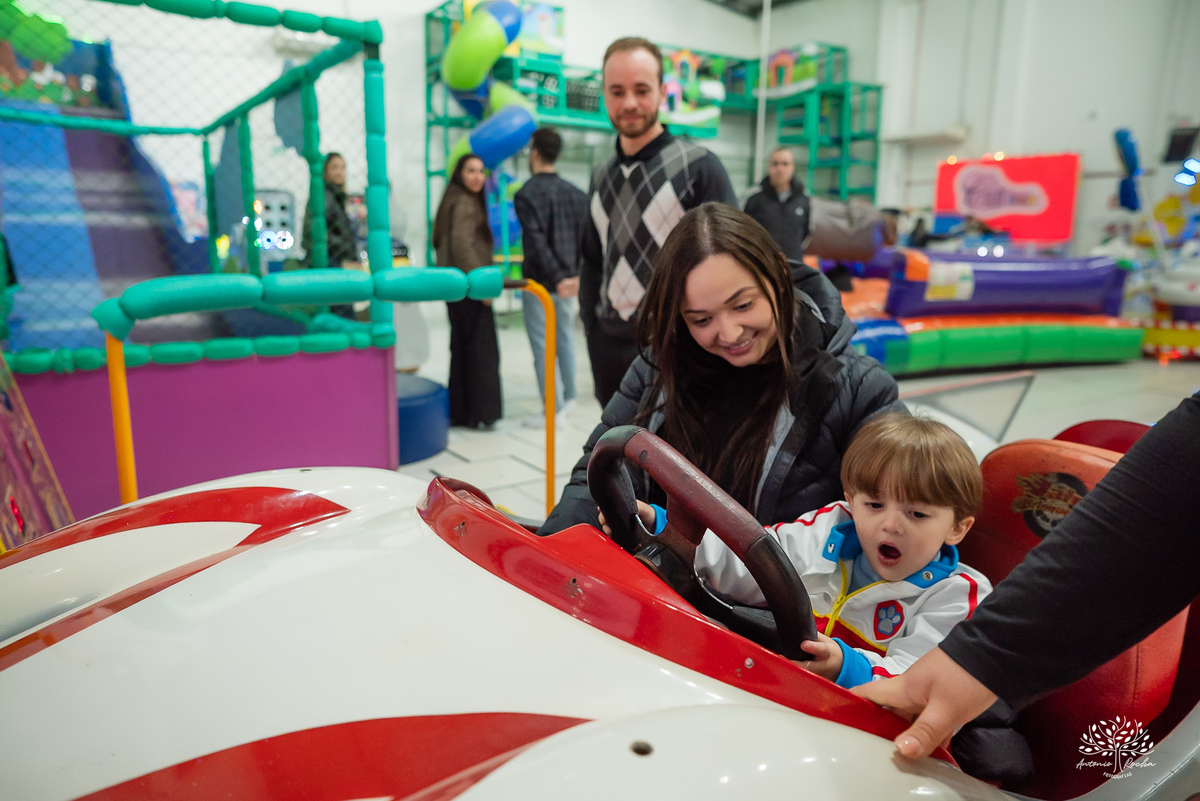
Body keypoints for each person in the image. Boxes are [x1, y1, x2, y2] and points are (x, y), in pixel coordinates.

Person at [856, 390, 1200, 760]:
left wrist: (848, 665)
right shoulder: (832, 532)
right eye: (874, 505)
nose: (889, 524)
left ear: (959, 527)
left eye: (916, 514)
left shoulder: (961, 594)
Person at [540, 203, 903, 535]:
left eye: (743, 305)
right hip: (661, 590)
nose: (729, 333)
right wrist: (552, 557)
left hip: (778, 603)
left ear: (777, 277)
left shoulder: (858, 390)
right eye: (701, 319)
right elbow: (594, 479)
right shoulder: (657, 371)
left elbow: (906, 509)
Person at [579, 37, 738, 408]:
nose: (629, 102)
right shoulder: (599, 174)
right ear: (604, 94)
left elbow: (732, 265)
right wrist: (591, 325)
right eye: (617, 91)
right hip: (608, 345)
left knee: (676, 458)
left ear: (663, 91)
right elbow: (591, 258)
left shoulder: (699, 166)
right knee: (618, 452)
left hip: (678, 347)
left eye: (641, 90)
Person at [512, 127, 588, 428]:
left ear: (535, 153)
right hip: (569, 285)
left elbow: (536, 244)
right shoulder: (577, 195)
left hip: (541, 285)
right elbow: (588, 241)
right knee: (566, 340)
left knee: (543, 346)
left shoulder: (526, 194)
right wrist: (575, 276)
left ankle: (553, 410)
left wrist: (557, 278)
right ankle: (570, 398)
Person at [432, 154, 502, 429]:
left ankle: (461, 412)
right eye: (471, 171)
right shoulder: (465, 202)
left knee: (462, 350)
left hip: (456, 291)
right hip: (470, 289)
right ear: (459, 174)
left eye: (481, 171)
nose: (477, 177)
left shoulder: (452, 199)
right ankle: (480, 413)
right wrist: (480, 283)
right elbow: (462, 245)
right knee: (481, 352)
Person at [302, 152, 362, 318]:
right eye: (334, 167)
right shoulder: (325, 196)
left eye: (343, 167)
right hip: (332, 266)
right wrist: (342, 263)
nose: (339, 172)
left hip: (336, 266)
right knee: (342, 317)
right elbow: (315, 235)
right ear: (325, 171)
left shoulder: (336, 197)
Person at [743, 146, 811, 263]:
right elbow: (744, 232)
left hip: (794, 266)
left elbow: (807, 233)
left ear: (792, 167)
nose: (780, 169)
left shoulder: (804, 199)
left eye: (785, 164)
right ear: (768, 167)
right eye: (775, 164)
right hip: (763, 265)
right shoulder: (753, 198)